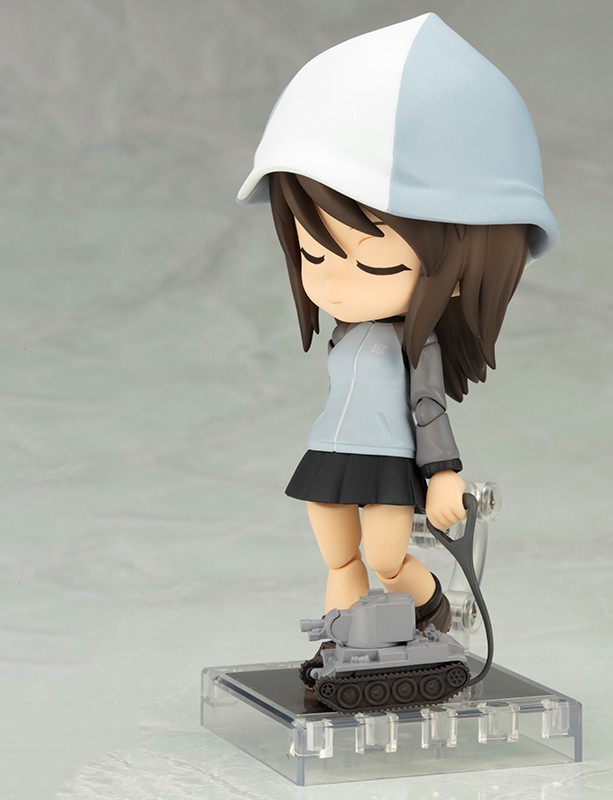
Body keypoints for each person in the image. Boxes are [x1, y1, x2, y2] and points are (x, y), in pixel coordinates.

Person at [236, 14, 559, 632]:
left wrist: (443, 474)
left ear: (465, 266)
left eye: (375, 261)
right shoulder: (344, 334)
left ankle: (433, 613)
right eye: (312, 254)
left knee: (387, 559)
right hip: (330, 448)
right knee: (338, 552)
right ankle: (341, 640)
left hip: (389, 460)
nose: (333, 279)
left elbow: (428, 408)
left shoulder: (418, 345)